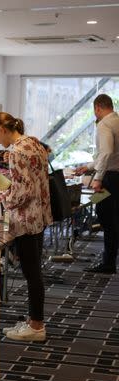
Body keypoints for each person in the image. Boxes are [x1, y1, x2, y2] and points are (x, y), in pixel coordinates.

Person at [0, 112, 52, 342]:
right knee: (34, 272)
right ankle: (35, 321)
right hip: (39, 216)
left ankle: (36, 326)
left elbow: (22, 193)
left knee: (32, 273)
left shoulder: (16, 152)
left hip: (25, 220)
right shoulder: (34, 143)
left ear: (3, 129)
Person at [75, 93, 119, 274]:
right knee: (112, 217)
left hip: (109, 178)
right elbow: (109, 154)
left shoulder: (104, 124)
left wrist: (98, 177)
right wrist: (88, 167)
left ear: (97, 108)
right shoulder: (116, 121)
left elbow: (107, 152)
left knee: (105, 216)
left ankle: (108, 263)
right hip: (115, 176)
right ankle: (108, 258)